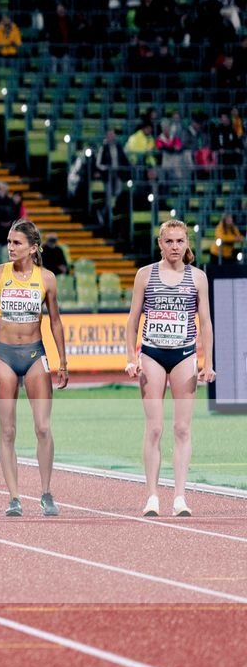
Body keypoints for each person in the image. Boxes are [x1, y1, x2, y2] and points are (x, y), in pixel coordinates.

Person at [0, 221, 69, 518]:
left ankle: (45, 492)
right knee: (8, 431)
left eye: (16, 243)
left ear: (33, 247)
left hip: (34, 355)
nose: (10, 247)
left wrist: (62, 362)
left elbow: (55, 321)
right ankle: (14, 497)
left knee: (42, 427)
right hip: (3, 355)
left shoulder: (47, 279)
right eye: (9, 242)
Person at [123, 220, 215, 518]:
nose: (175, 247)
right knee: (155, 428)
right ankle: (151, 496)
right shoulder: (145, 275)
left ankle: (179, 497)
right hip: (151, 353)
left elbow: (206, 323)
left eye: (180, 241)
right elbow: (133, 320)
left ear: (187, 243)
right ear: (160, 244)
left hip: (184, 355)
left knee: (182, 428)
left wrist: (208, 363)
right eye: (169, 241)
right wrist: (130, 357)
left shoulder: (198, 277)